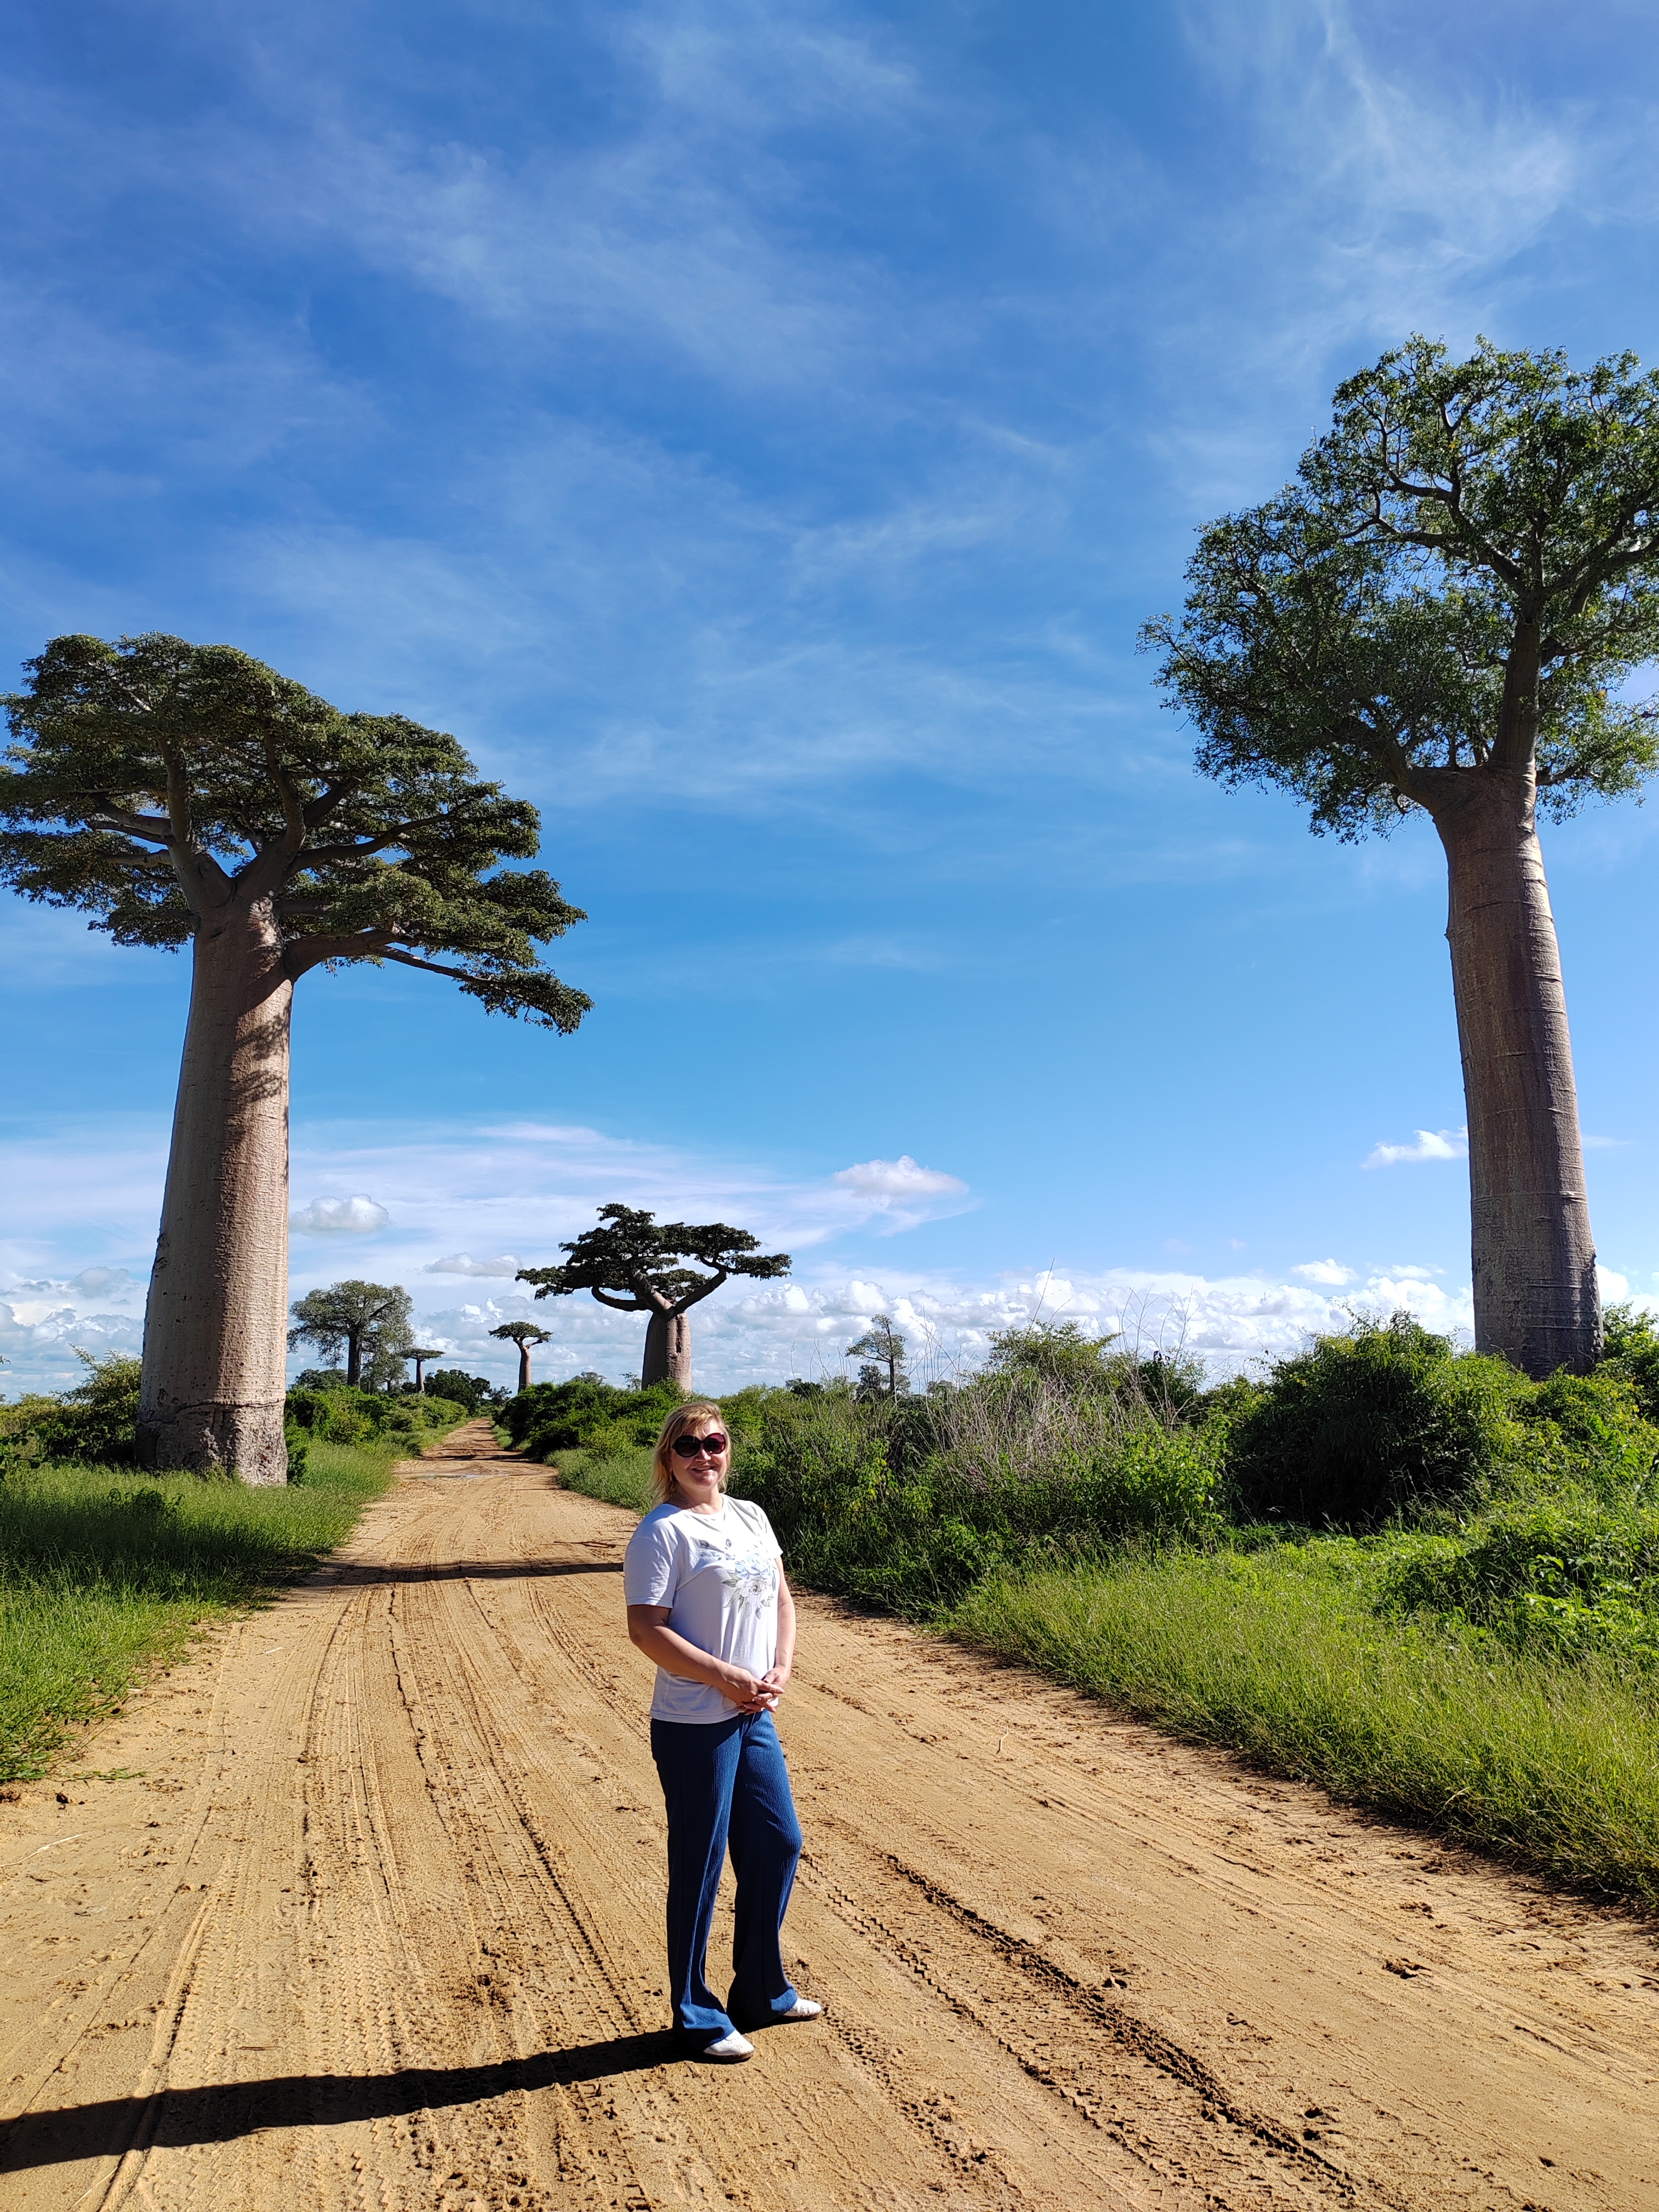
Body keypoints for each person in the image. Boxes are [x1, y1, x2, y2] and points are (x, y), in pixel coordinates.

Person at [623, 1401, 822, 2062]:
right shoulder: (662, 1532)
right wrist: (723, 1677)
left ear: (728, 1448)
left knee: (778, 1842)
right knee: (701, 1862)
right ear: (668, 1457)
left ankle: (762, 1990)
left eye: (714, 1442)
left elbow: (782, 1599)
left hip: (753, 1711)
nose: (703, 1455)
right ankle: (695, 2014)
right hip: (694, 1722)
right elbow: (646, 1630)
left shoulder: (751, 1515)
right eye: (688, 1445)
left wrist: (780, 1667)